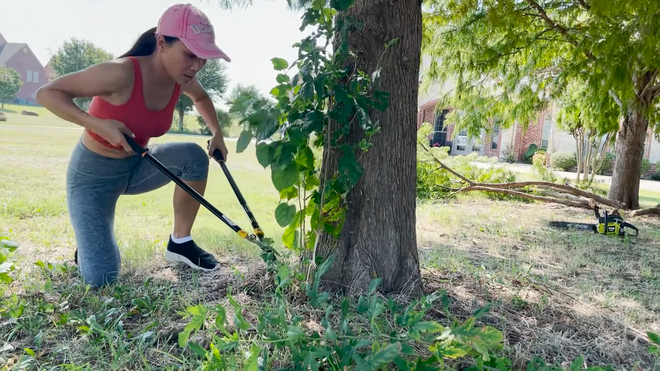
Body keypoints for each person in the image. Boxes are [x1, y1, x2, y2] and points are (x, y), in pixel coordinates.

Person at [36, 3, 231, 287]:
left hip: (139, 165)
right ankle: (90, 247)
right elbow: (48, 93)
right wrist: (98, 124)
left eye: (203, 58)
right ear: (162, 43)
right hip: (93, 179)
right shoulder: (121, 73)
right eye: (190, 55)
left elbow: (201, 98)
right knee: (102, 279)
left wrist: (218, 133)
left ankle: (180, 242)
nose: (197, 66)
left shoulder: (181, 78)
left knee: (192, 156)